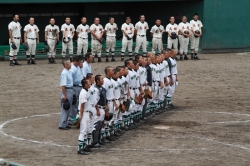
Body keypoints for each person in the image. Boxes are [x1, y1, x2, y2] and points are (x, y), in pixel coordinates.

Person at [85, 73, 101, 148]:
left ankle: (94, 141)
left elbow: (95, 101)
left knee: (94, 125)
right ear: (88, 79)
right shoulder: (86, 90)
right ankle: (87, 144)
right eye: (93, 78)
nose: (94, 79)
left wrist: (97, 109)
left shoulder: (94, 89)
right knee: (87, 127)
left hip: (93, 108)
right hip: (89, 109)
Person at [95, 75, 110, 144]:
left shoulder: (103, 89)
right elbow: (95, 101)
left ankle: (99, 139)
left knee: (101, 124)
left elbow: (105, 99)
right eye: (101, 79)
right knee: (97, 125)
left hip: (103, 108)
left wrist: (107, 107)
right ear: (97, 81)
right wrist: (97, 110)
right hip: (99, 108)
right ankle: (95, 141)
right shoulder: (95, 89)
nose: (103, 80)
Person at [77, 79, 91, 155]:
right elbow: (82, 105)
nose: (90, 84)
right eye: (89, 83)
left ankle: (84, 146)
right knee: (83, 132)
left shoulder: (86, 91)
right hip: (84, 114)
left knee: (87, 131)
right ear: (85, 84)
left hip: (87, 113)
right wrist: (80, 116)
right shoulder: (83, 93)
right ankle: (80, 149)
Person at [59, 59, 73, 130]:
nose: (70, 64)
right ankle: (62, 124)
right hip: (66, 90)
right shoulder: (64, 73)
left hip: (69, 90)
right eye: (69, 63)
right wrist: (64, 95)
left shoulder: (68, 72)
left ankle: (65, 123)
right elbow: (63, 86)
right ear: (65, 65)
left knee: (68, 108)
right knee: (65, 108)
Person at [68, 56, 82, 125]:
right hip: (74, 87)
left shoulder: (77, 67)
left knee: (76, 104)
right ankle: (70, 119)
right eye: (79, 61)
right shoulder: (72, 68)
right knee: (73, 104)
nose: (81, 63)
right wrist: (72, 91)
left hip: (78, 86)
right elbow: (71, 80)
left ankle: (73, 118)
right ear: (75, 61)